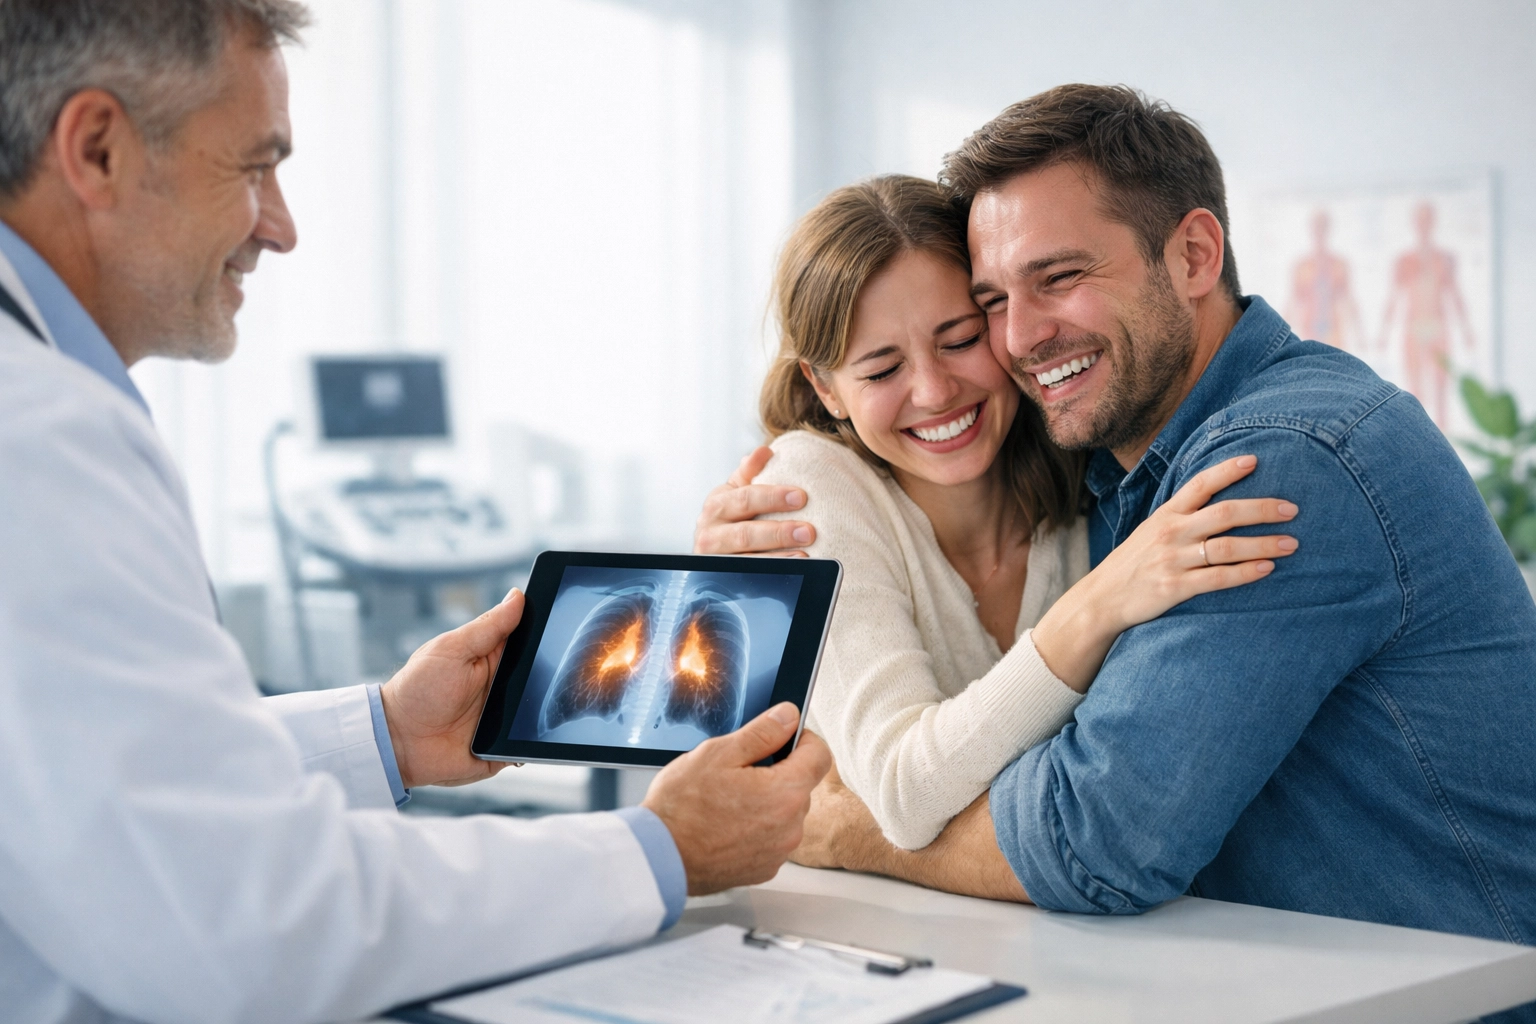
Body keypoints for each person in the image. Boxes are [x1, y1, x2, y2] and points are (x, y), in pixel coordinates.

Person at [0, 3, 829, 1022]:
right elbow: (253, 924)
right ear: (97, 149)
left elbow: (98, 785)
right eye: (254, 166)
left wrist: (383, 732)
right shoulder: (37, 433)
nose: (282, 225)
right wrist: (656, 849)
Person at [697, 84, 1536, 980]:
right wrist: (740, 586)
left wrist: (841, 826)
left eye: (1059, 278)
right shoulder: (1114, 469)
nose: (1020, 337)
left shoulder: (1276, 464)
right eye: (993, 300)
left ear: (1195, 255)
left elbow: (1096, 839)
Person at [748, 173, 1296, 850]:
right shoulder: (810, 486)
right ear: (824, 388)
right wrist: (1097, 604)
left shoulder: (1079, 457)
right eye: (882, 369)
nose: (935, 390)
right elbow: (902, 794)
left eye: (958, 339)